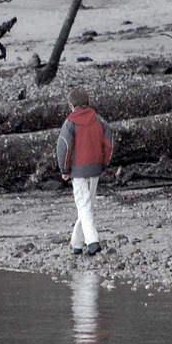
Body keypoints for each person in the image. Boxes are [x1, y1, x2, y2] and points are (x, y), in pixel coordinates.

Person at [56, 88, 114, 256]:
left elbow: (64, 148)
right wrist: (103, 165)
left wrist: (64, 169)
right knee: (87, 206)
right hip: (95, 168)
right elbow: (109, 145)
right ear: (87, 103)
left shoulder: (70, 123)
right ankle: (76, 243)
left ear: (71, 105)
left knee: (84, 206)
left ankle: (92, 241)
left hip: (78, 170)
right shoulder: (100, 121)